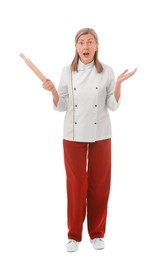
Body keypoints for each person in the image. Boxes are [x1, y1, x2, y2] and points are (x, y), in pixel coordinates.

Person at [42, 28, 137, 252]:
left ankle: (97, 233)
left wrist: (119, 84)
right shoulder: (67, 72)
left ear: (97, 46)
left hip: (101, 134)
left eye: (90, 42)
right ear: (76, 47)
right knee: (76, 185)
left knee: (100, 185)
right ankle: (74, 235)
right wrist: (53, 91)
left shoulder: (108, 72)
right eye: (82, 42)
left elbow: (113, 106)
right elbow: (62, 106)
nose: (86, 46)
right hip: (72, 136)